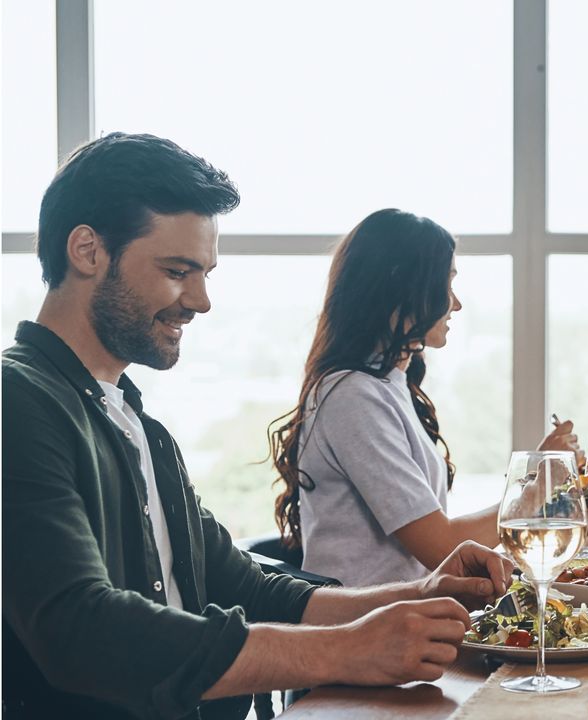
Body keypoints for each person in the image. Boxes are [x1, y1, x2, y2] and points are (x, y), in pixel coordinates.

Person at [2, 132, 514, 720]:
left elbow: (248, 588)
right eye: (176, 270)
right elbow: (82, 632)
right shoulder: (18, 401)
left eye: (204, 274)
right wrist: (348, 650)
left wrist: (420, 594)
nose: (200, 300)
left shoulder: (138, 426)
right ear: (87, 251)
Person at [269, 209, 578, 587]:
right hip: (366, 629)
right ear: (401, 289)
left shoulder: (387, 386)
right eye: (445, 285)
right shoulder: (353, 397)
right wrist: (540, 487)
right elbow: (442, 547)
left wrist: (536, 474)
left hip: (402, 616)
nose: (456, 304)